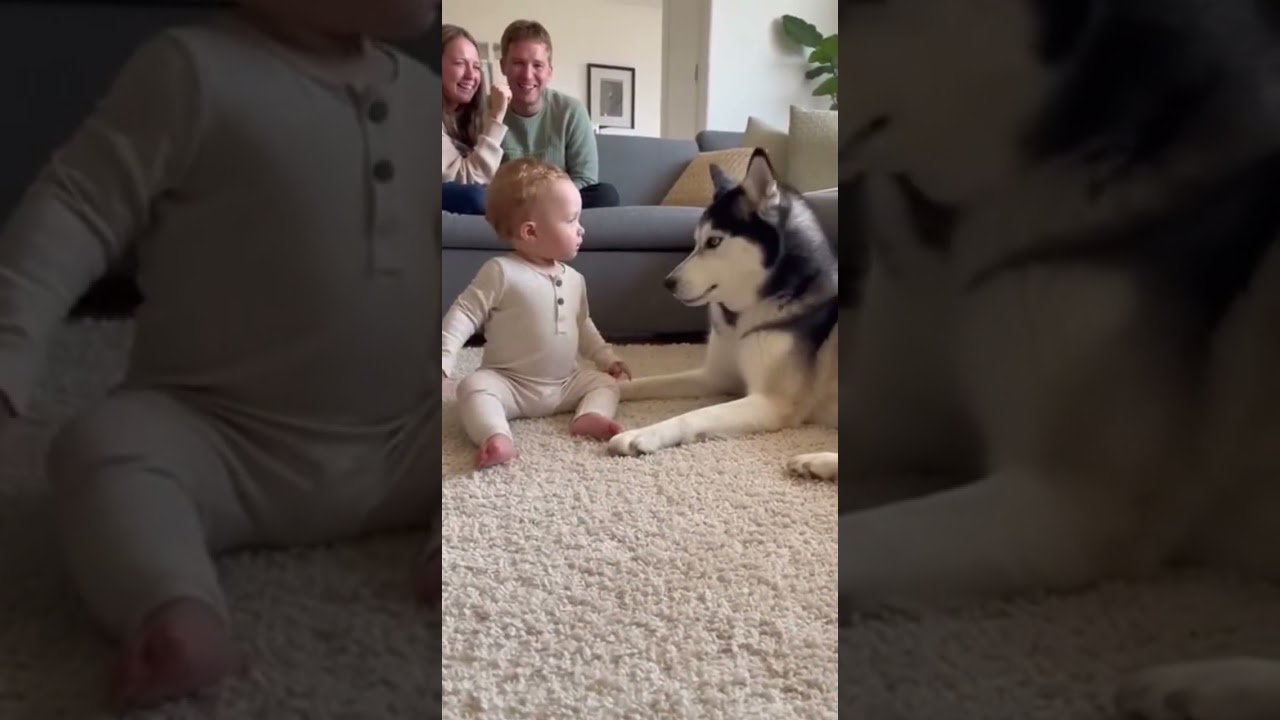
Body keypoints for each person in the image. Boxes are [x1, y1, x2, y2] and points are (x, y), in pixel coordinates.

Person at [0, 0, 440, 711]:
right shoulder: (192, 71)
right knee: (101, 447)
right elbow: (75, 210)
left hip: (402, 439)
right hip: (222, 440)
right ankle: (174, 609)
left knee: (492, 431)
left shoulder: (424, 95)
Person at [441, 158, 630, 469]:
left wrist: (607, 358)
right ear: (531, 231)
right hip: (509, 384)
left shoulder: (575, 279)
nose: (581, 228)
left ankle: (590, 416)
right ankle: (496, 436)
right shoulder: (501, 271)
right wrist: (444, 358)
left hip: (565, 384)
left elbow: (583, 324)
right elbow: (464, 313)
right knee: (473, 387)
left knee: (605, 385)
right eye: (571, 220)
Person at [496, 20, 621, 209]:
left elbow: (585, 179)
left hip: (559, 206)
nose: (527, 75)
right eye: (518, 63)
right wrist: (494, 119)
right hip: (509, 206)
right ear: (503, 66)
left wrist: (542, 204)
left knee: (605, 194)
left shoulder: (572, 111)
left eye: (537, 65)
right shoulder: (486, 110)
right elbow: (480, 179)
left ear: (549, 72)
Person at [442, 23, 511, 215]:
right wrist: (497, 117)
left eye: (476, 66)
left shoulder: (465, 116)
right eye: (459, 63)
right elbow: (468, 181)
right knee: (476, 197)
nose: (471, 75)